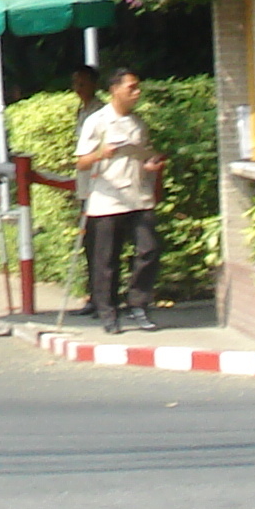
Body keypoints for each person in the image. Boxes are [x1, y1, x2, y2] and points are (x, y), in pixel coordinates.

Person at [72, 64, 163, 332]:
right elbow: (81, 163)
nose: (137, 92)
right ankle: (108, 312)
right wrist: (101, 153)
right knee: (106, 260)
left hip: (138, 196)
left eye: (137, 87)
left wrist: (150, 166)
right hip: (107, 198)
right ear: (115, 90)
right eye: (131, 87)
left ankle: (138, 303)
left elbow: (144, 155)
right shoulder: (97, 121)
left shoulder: (137, 123)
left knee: (149, 249)